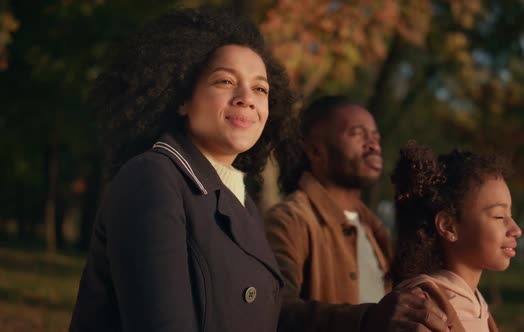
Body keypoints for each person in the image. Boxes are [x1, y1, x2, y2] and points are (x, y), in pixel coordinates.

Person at [69, 8, 296, 332]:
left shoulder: (238, 199)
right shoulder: (152, 179)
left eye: (260, 89)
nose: (247, 98)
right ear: (182, 99)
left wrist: (369, 318)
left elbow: (271, 311)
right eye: (225, 81)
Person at [267, 96, 450, 332]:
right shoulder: (288, 220)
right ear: (316, 152)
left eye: (375, 137)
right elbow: (274, 309)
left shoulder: (376, 230)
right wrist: (366, 319)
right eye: (357, 134)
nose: (373, 145)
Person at [390, 141, 523, 332]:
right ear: (449, 226)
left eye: (510, 215)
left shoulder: (474, 302)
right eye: (499, 216)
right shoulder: (422, 310)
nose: (516, 229)